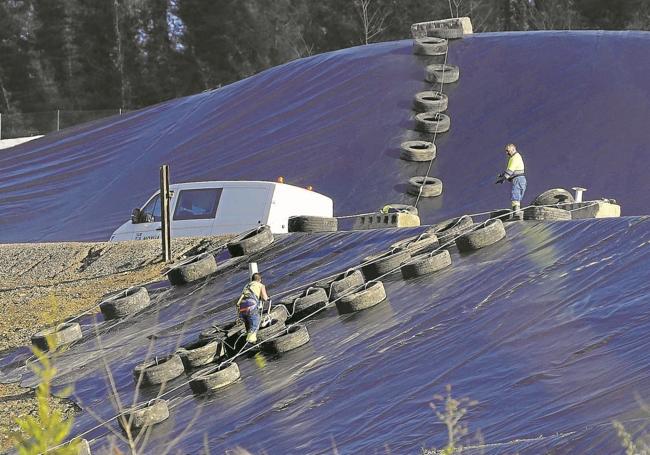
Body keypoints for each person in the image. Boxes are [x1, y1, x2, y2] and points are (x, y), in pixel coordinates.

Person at [235, 272, 270, 345]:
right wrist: (267, 299)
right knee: (255, 323)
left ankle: (248, 341)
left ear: (252, 280)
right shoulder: (261, 285)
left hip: (241, 307)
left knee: (248, 324)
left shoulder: (247, 285)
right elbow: (264, 297)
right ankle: (251, 342)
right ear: (260, 280)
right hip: (251, 306)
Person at [496, 143, 526, 220]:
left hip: (518, 179)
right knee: (517, 196)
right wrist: (503, 175)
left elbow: (510, 170)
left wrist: (503, 178)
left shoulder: (515, 158)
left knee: (515, 196)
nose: (507, 153)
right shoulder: (515, 157)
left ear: (513, 149)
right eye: (506, 151)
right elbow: (510, 170)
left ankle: (517, 215)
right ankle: (517, 213)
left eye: (508, 151)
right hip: (519, 179)